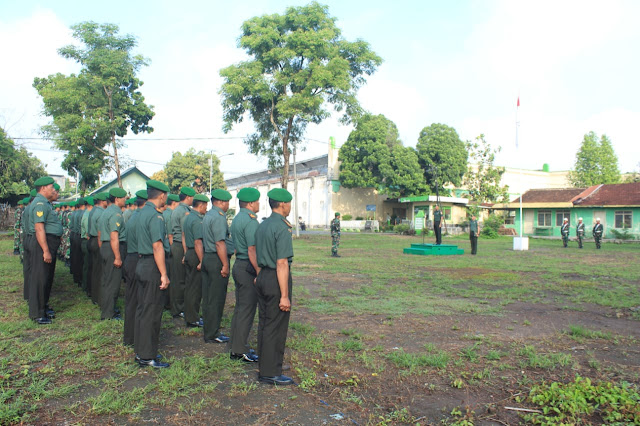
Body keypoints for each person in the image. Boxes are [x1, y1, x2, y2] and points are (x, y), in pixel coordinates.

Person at [255, 188, 295, 385]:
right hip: (276, 278)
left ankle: (266, 363)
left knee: (264, 322)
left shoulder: (263, 225)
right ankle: (270, 372)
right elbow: (282, 262)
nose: (290, 207)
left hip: (263, 275)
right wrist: (284, 295)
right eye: (289, 204)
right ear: (282, 205)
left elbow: (253, 251)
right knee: (275, 325)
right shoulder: (282, 227)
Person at [134, 180, 171, 368]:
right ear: (162, 196)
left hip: (141, 263)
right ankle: (148, 356)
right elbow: (157, 246)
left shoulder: (141, 213)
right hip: (152, 266)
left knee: (142, 309)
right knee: (152, 311)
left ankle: (140, 351)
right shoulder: (156, 216)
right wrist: (164, 274)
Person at [229, 187, 261, 363]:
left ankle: (235, 345)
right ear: (250, 203)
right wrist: (259, 272)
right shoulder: (251, 221)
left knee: (241, 308)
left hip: (239, 265)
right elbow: (252, 249)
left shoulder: (237, 218)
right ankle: (239, 350)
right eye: (257, 201)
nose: (258, 204)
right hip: (247, 266)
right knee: (247, 310)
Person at [27, 176, 62, 324]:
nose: (54, 190)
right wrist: (46, 250)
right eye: (51, 187)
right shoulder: (40, 204)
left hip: (48, 243)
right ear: (43, 189)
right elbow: (39, 228)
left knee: (46, 277)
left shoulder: (45, 204)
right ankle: (38, 313)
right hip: (43, 244)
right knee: (40, 278)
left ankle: (43, 306)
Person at [201, 189, 232, 344]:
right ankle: (212, 333)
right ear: (220, 202)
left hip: (207, 257)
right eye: (227, 202)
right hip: (216, 259)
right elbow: (220, 243)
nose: (228, 205)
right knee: (216, 298)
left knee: (207, 297)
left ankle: (208, 329)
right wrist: (225, 264)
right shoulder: (219, 218)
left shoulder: (208, 215)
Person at [98, 187, 128, 320]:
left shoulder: (105, 212)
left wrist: (103, 249)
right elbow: (114, 235)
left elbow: (100, 234)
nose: (125, 200)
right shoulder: (116, 213)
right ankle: (108, 314)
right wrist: (117, 256)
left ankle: (106, 307)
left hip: (106, 246)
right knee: (113, 283)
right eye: (124, 198)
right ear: (117, 199)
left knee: (106, 280)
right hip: (113, 247)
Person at [123, 192, 147, 347]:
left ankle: (130, 337)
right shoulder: (143, 219)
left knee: (131, 300)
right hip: (139, 259)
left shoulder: (132, 217)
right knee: (142, 302)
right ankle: (138, 338)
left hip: (130, 258)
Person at [182, 193, 208, 328]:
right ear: (202, 205)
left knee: (189, 286)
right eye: (206, 206)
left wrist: (185, 254)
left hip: (190, 253)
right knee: (195, 288)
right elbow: (198, 242)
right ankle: (193, 318)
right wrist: (202, 260)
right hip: (195, 254)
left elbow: (184, 236)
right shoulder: (197, 219)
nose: (206, 208)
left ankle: (189, 315)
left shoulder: (188, 217)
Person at [169, 188, 195, 318]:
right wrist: (186, 253)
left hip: (177, 245)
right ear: (188, 197)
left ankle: (178, 307)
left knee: (178, 277)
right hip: (181, 246)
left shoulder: (178, 209)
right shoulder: (184, 212)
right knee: (180, 279)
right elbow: (185, 233)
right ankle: (179, 309)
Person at [88, 193, 108, 305]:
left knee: (95, 270)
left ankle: (94, 295)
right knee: (100, 271)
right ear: (102, 201)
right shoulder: (101, 213)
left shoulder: (93, 211)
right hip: (98, 241)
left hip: (93, 239)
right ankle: (99, 297)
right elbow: (101, 232)